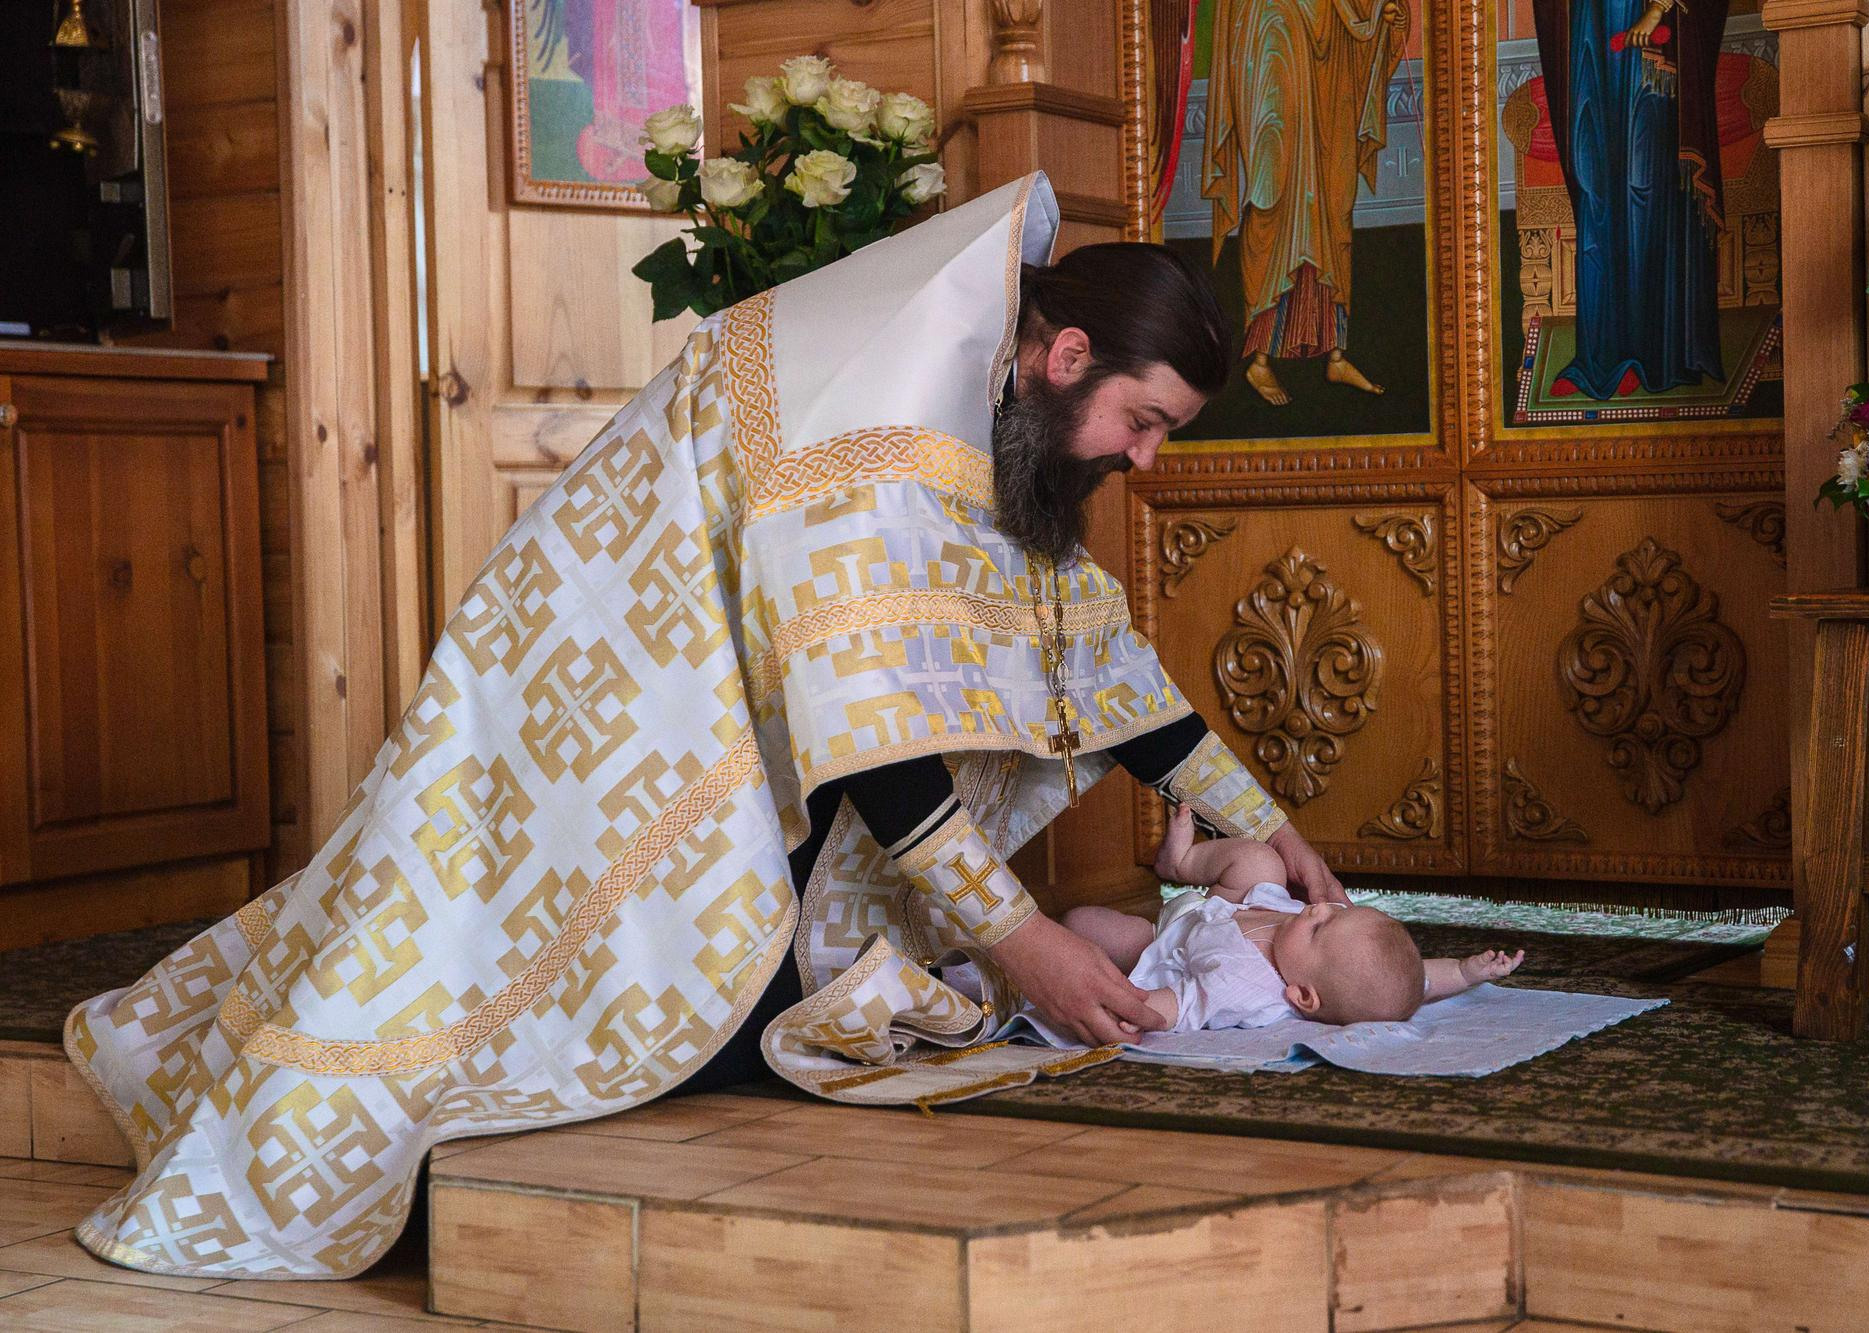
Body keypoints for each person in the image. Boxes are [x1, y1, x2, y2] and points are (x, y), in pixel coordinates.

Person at [64, 174, 1336, 1280]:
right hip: (630, 681)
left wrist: (1262, 819)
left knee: (742, 1027)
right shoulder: (889, 411)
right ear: (1064, 360)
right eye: (1147, 423)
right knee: (602, 1013)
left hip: (734, 711)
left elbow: (1085, 651)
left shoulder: (996, 414)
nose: (1146, 460)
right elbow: (876, 733)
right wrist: (1022, 945)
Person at [1065, 802, 1523, 1031]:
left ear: (1302, 995)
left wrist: (1135, 1012)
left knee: (1080, 924)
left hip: (1162, 943)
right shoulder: (1299, 929)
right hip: (1226, 903)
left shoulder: (1244, 986)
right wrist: (1465, 972)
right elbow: (1411, 982)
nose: (1319, 906)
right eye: (1339, 913)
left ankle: (1082, 940)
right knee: (1264, 862)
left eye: (1321, 926)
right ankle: (1181, 863)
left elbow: (1182, 1003)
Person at [1203, 0, 1410, 406]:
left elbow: (1361, 15)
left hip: (1330, 71)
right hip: (1270, 54)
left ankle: (1335, 353)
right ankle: (1259, 359)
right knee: (1272, 201)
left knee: (1330, 210)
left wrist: (1384, 18)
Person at [1534, 0, 1729, 399]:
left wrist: (1657, 9)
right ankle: (1601, 356)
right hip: (1590, 29)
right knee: (1595, 183)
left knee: (1644, 183)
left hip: (1652, 47)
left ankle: (1653, 354)